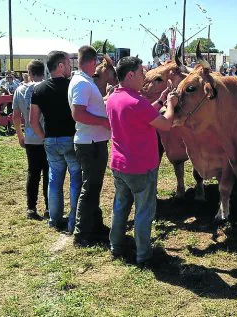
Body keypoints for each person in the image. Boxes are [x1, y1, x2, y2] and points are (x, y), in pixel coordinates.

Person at [106, 56, 176, 266]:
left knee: (120, 207)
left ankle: (116, 246)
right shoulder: (137, 101)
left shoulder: (114, 98)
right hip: (141, 167)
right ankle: (143, 254)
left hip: (119, 165)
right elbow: (165, 124)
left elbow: (143, 115)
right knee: (144, 211)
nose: (145, 77)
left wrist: (161, 99)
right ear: (130, 75)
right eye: (142, 72)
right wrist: (171, 104)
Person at [30, 51, 80, 234]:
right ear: (60, 66)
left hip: (51, 140)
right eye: (67, 64)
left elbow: (33, 120)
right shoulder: (72, 86)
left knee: (54, 180)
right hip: (71, 139)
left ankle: (54, 218)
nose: (70, 67)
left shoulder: (39, 89)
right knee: (75, 179)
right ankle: (73, 220)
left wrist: (44, 138)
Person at [66, 46, 112, 246]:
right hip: (90, 143)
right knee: (90, 188)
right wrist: (103, 121)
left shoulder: (82, 81)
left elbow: (88, 107)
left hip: (92, 141)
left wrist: (105, 100)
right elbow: (78, 113)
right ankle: (81, 233)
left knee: (93, 187)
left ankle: (94, 225)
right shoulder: (83, 83)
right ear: (93, 62)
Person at [13, 60, 49, 220]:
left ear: (29, 73)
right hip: (47, 136)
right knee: (49, 174)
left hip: (30, 138)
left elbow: (15, 117)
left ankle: (31, 207)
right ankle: (50, 207)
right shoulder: (47, 87)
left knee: (33, 173)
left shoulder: (19, 90)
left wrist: (20, 136)